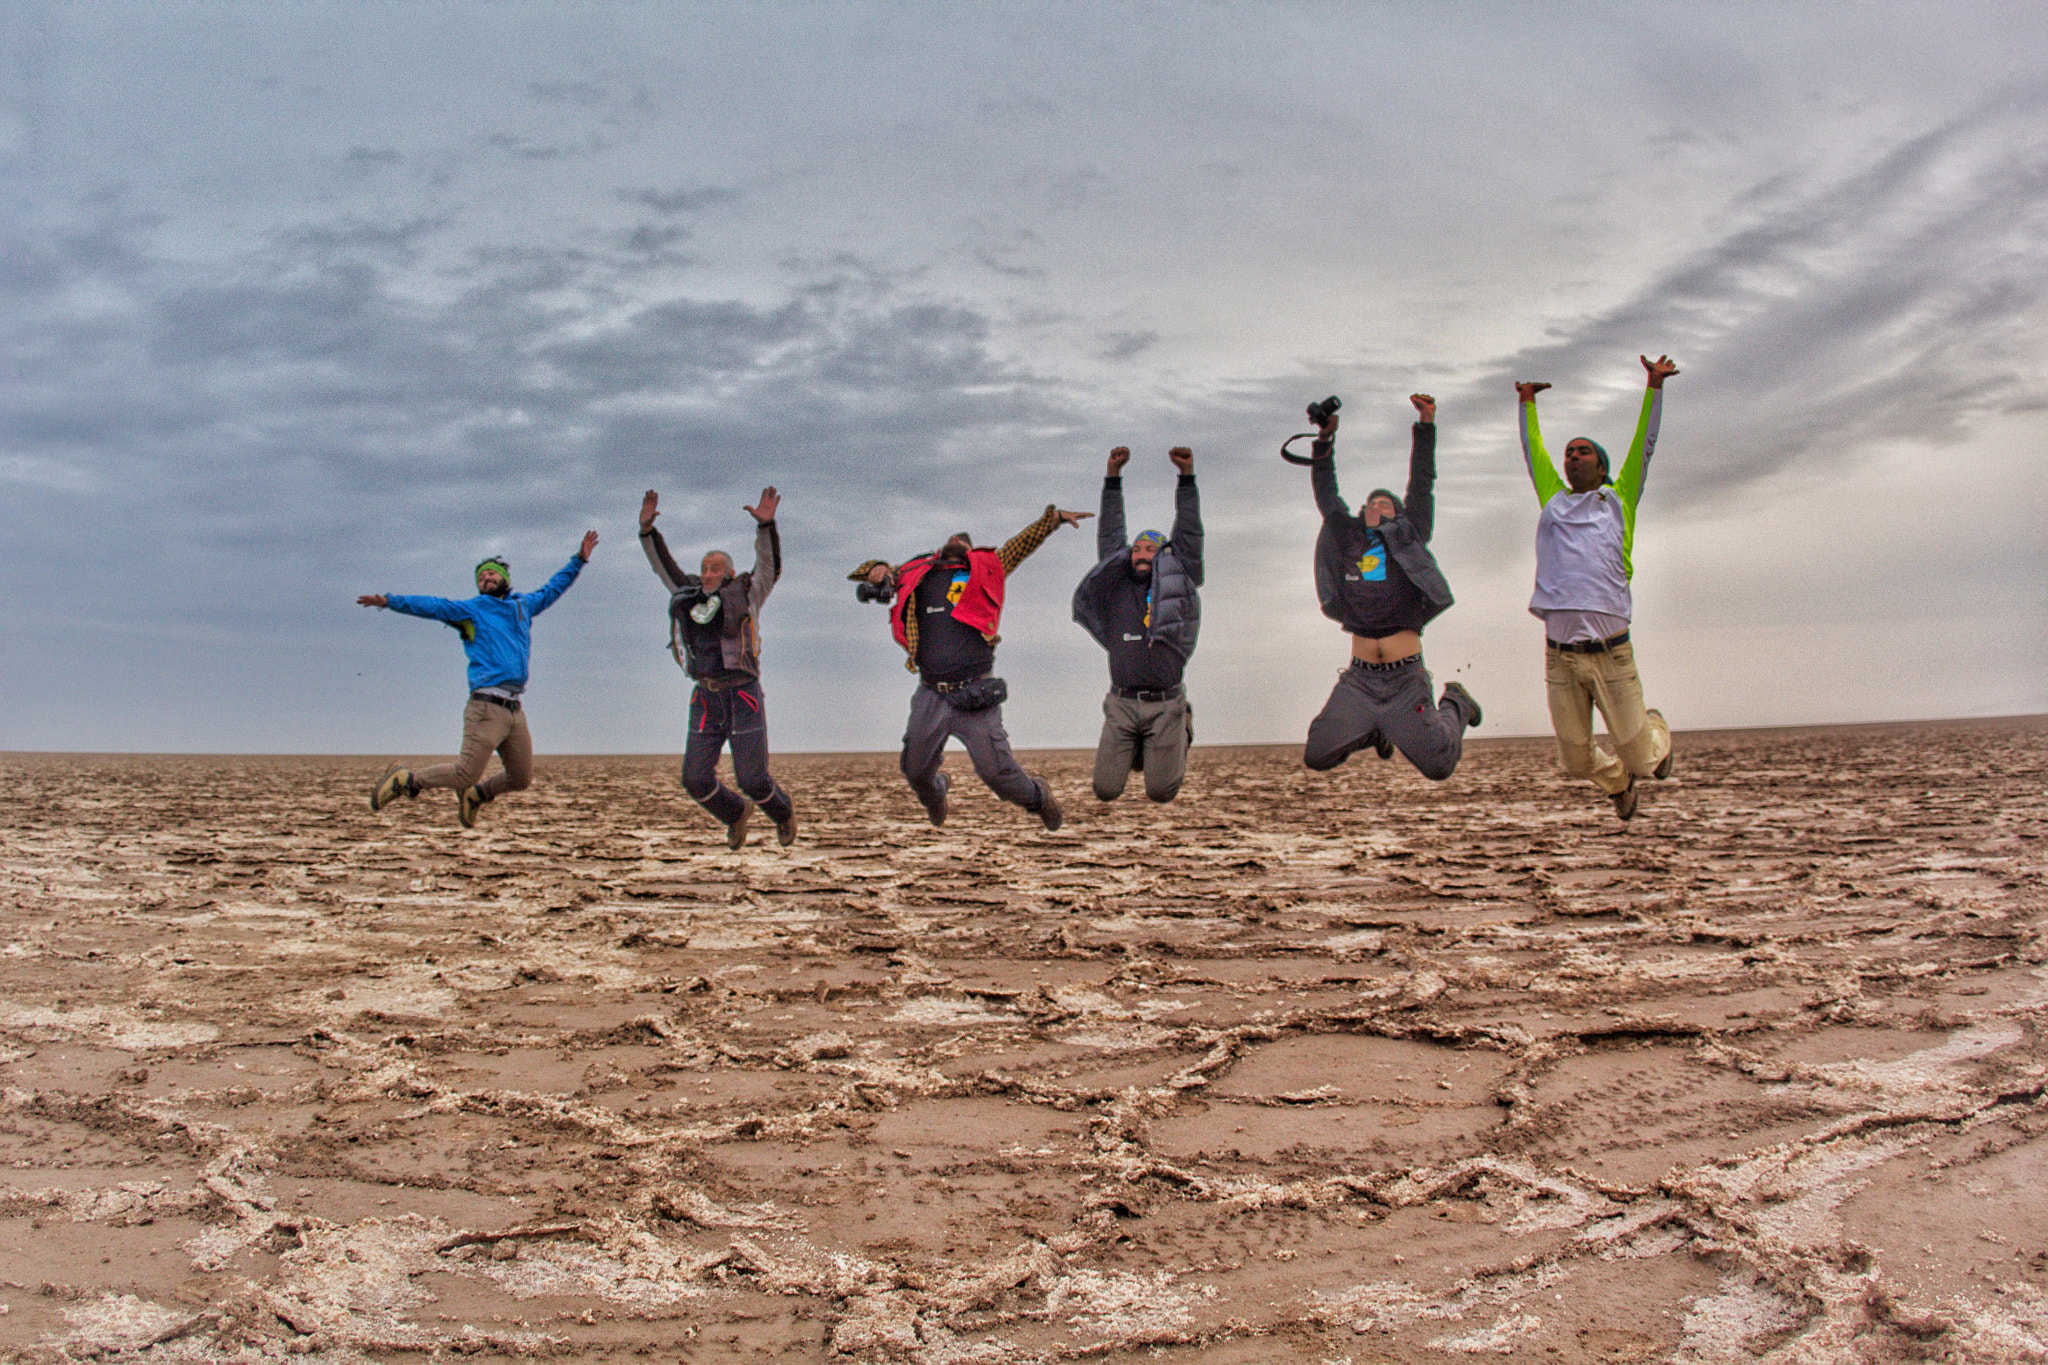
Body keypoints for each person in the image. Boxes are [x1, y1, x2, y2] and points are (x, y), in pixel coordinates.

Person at [850, 503, 1091, 831]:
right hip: (930, 693)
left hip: (974, 692)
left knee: (998, 775)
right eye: (952, 539)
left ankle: (1039, 797)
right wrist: (877, 568)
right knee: (915, 770)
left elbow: (1022, 543)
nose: (957, 541)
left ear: (970, 551)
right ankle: (937, 795)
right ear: (941, 548)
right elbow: (869, 571)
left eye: (963, 542)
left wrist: (1055, 520)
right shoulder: (915, 573)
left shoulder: (986, 570)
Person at [1516, 355, 1679, 820]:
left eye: (1583, 451)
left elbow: (1643, 447)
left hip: (1611, 654)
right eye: (1568, 452)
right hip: (1560, 654)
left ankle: (1657, 731)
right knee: (1575, 759)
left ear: (1602, 466)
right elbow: (1534, 455)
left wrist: (1654, 387)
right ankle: (1616, 784)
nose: (1572, 456)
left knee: (1643, 759)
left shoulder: (1618, 501)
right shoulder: (1553, 500)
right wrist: (1527, 404)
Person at [358, 532, 598, 828]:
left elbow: (554, 588)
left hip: (514, 711)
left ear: (503, 579)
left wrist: (580, 560)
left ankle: (477, 795)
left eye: (491, 574)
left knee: (521, 778)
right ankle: (406, 780)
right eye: (481, 576)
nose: (485, 579)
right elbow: (433, 606)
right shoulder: (471, 611)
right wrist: (389, 601)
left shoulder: (523, 606)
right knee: (464, 773)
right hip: (486, 707)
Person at [1301, 393, 1481, 778]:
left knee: (1439, 766)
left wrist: (1426, 425)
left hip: (1405, 677)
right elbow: (1326, 492)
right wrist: (1324, 441)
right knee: (1317, 754)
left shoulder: (1409, 538)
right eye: (1370, 503)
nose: (1375, 507)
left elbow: (1422, 483)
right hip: (1360, 678)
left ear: (1398, 516)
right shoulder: (1348, 538)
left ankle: (1457, 703)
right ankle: (1375, 729)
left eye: (1385, 504)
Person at [639, 486, 795, 850]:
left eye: (715, 569)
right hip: (706, 696)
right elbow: (664, 566)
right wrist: (648, 532)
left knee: (752, 779)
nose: (707, 574)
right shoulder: (686, 595)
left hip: (743, 693)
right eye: (704, 569)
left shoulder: (748, 593)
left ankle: (783, 814)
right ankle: (735, 814)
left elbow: (770, 567)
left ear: (729, 573)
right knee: (694, 779)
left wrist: (766, 527)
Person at [1071, 444, 1203, 802]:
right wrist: (1113, 477)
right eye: (1138, 548)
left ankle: (1180, 729)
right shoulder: (1117, 588)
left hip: (1167, 704)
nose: (1143, 553)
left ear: (1165, 555)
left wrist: (1186, 477)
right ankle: (1144, 748)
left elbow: (1189, 534)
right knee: (1106, 790)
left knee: (1161, 793)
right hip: (1122, 704)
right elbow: (1111, 534)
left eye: (1152, 548)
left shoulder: (1180, 581)